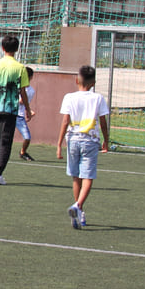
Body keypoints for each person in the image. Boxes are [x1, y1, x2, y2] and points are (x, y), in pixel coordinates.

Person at [56, 65, 110, 229]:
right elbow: (102, 122)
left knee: (76, 176)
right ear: (93, 82)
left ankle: (79, 209)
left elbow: (65, 121)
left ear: (76, 80)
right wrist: (106, 140)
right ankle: (78, 205)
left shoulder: (69, 97)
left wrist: (59, 144)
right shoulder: (98, 98)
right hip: (90, 140)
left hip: (73, 139)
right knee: (88, 176)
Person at [0, 35, 31, 184]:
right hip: (9, 109)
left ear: (2, 48)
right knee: (6, 141)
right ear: (17, 49)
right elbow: (23, 92)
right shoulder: (20, 68)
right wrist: (28, 110)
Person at [17, 66, 37, 161]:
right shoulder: (15, 86)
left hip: (19, 116)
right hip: (9, 113)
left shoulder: (31, 90)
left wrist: (28, 111)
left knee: (27, 137)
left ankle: (23, 152)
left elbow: (23, 102)